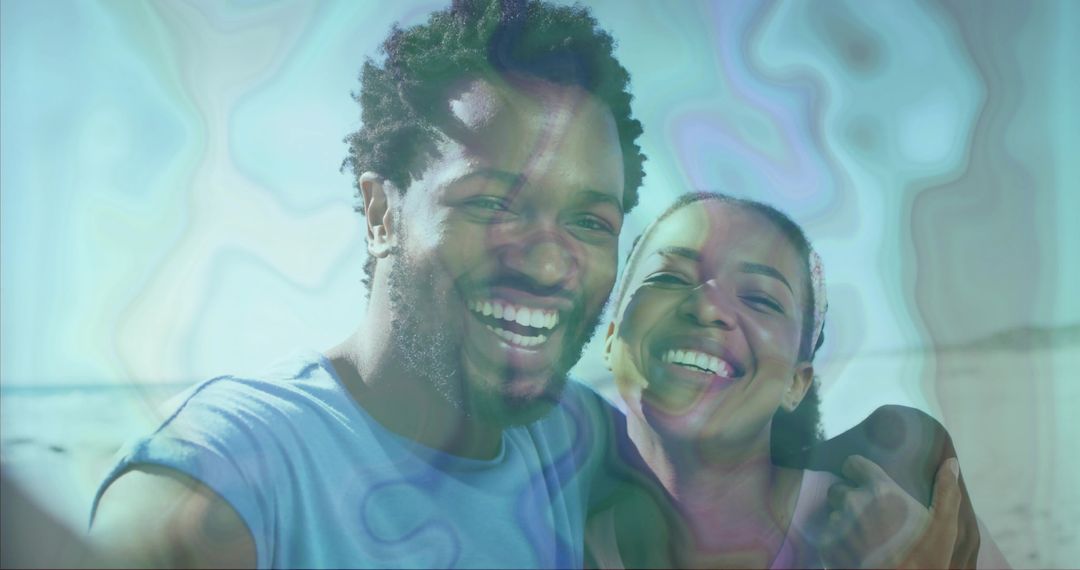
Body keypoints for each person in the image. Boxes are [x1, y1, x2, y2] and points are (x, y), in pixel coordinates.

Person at [81, 1, 977, 568]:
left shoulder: (568, 438)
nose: (549, 264)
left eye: (590, 221)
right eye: (493, 202)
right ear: (380, 209)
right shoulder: (247, 473)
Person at [601, 191, 1008, 568]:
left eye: (760, 298)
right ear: (610, 338)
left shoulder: (903, 508)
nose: (707, 305)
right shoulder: (557, 542)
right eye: (668, 278)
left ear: (797, 383)